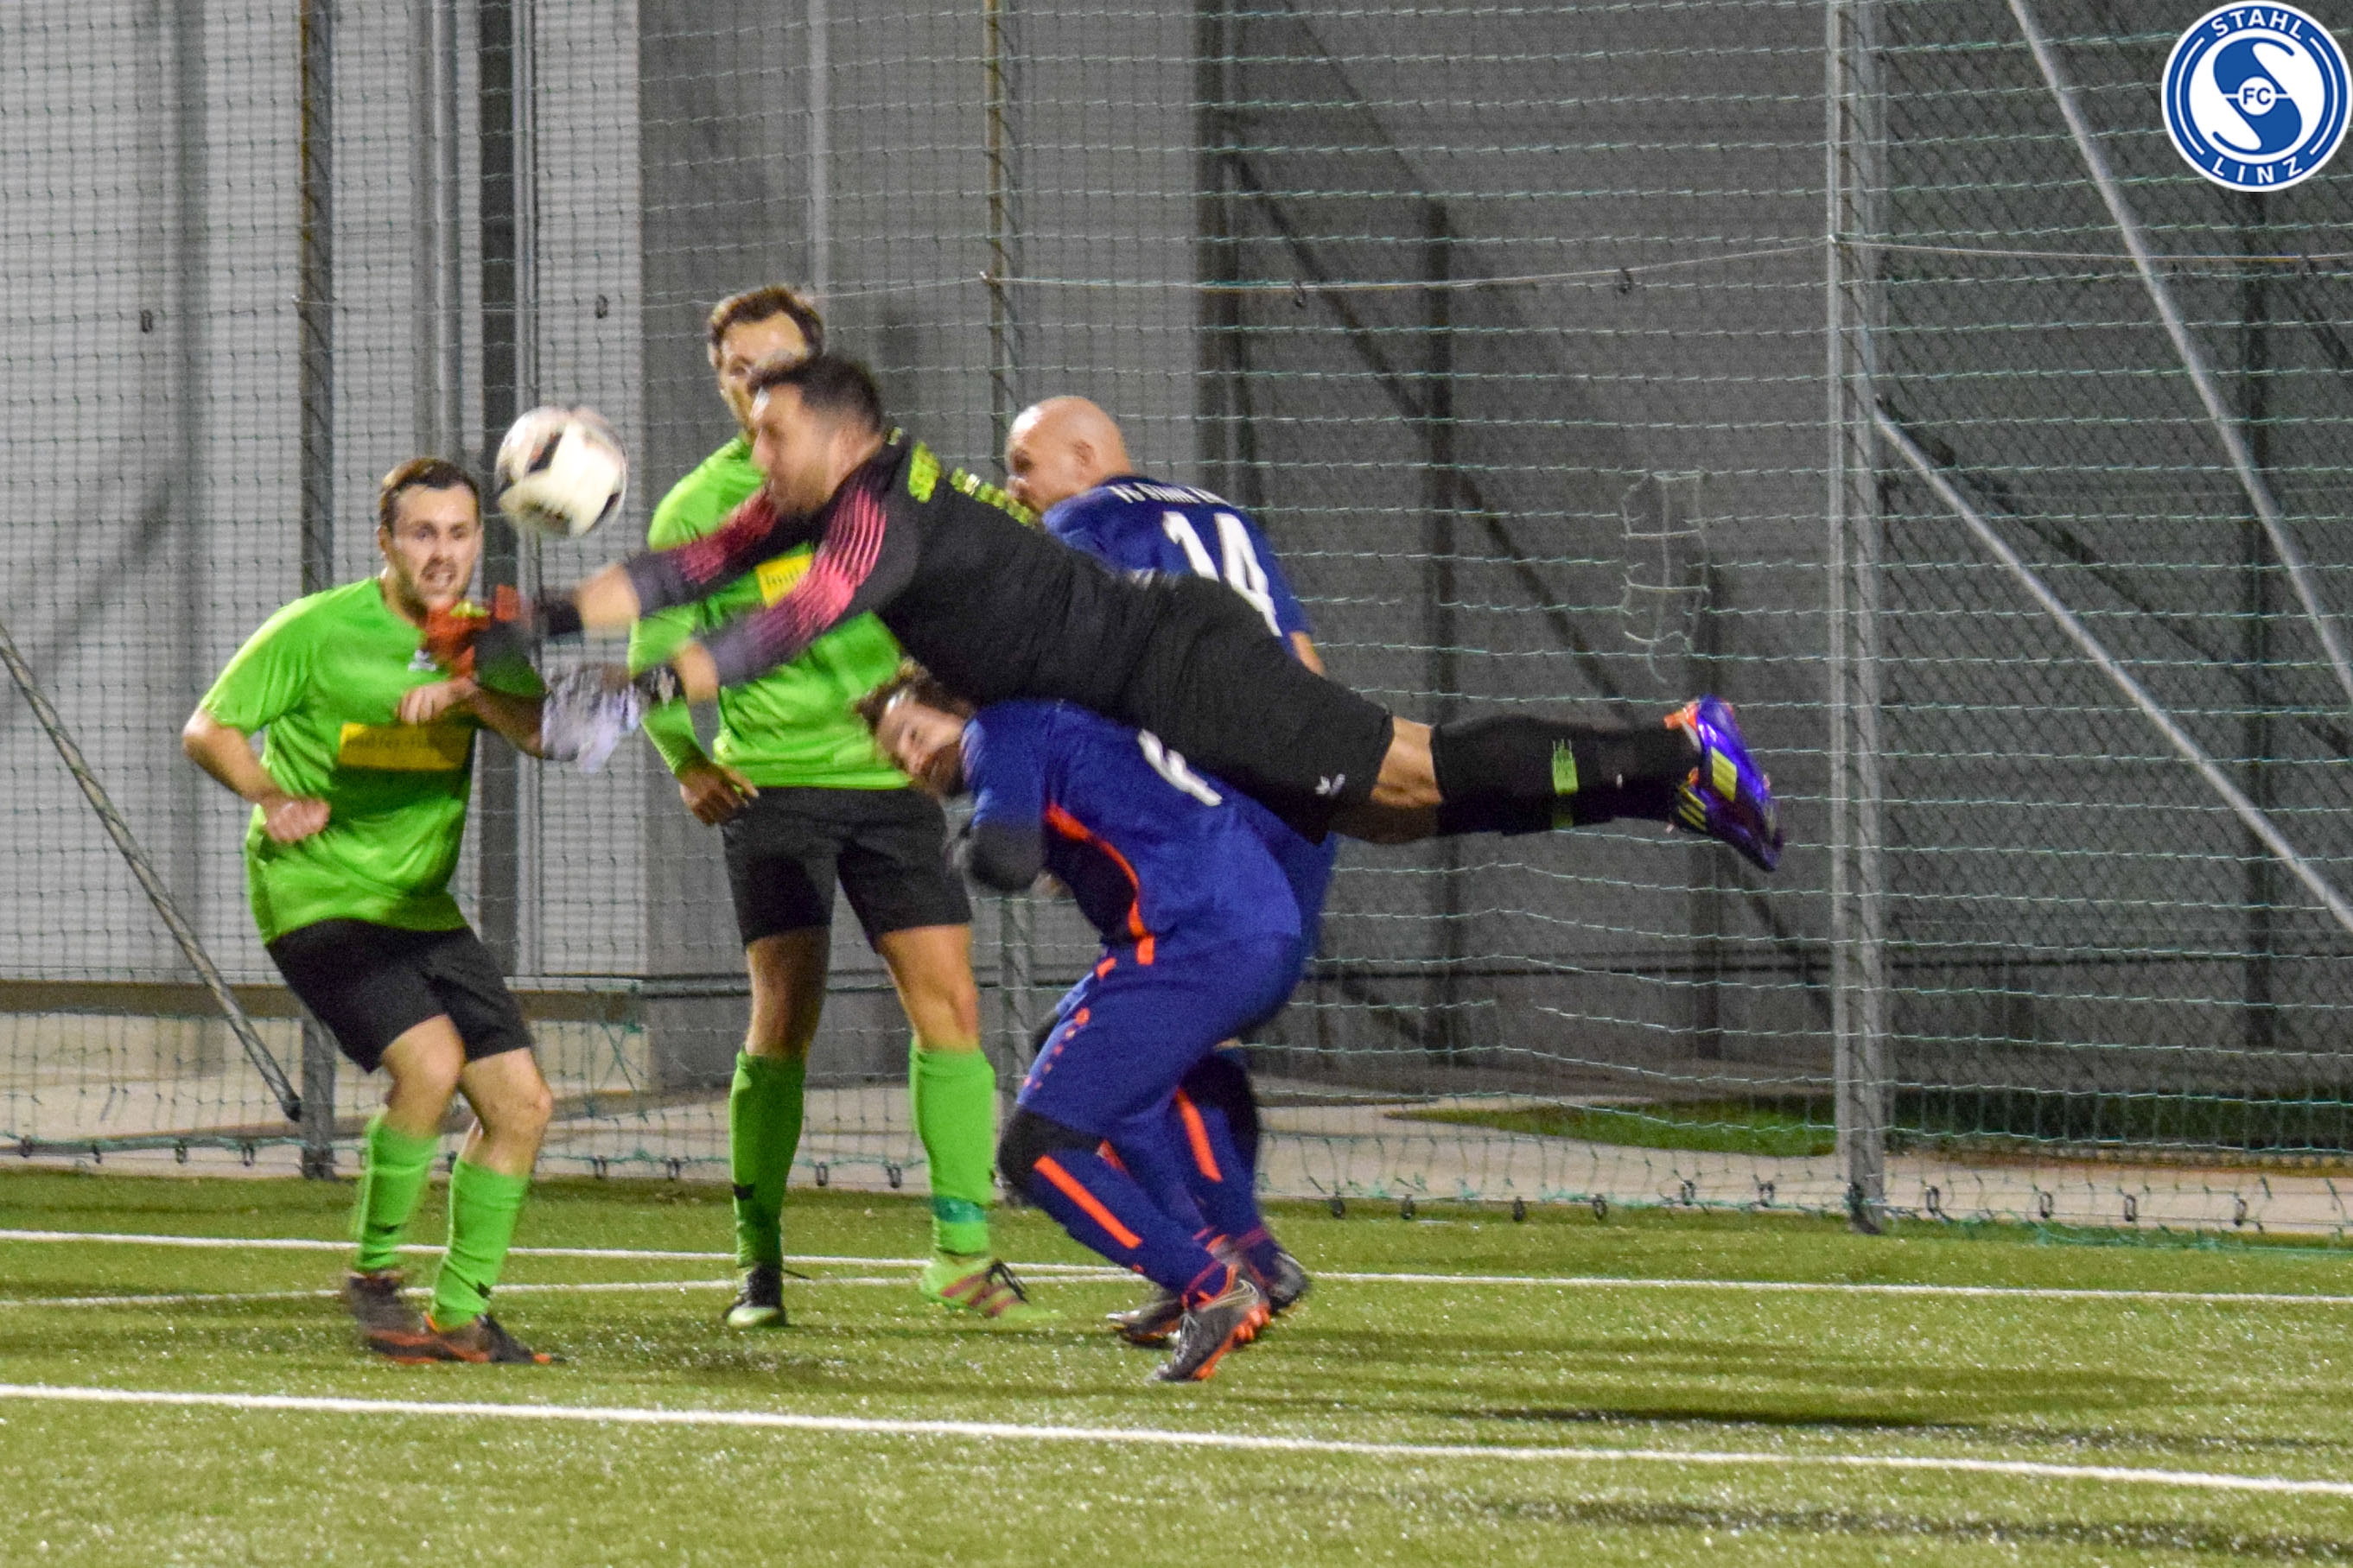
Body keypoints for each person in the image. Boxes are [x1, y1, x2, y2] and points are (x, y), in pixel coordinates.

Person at [437, 352, 1781, 873]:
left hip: (1174, 660)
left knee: (1407, 769)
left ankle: (1675, 746)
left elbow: (786, 624)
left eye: (770, 428)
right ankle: (1659, 785)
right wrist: (535, 625)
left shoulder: (877, 517)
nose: (753, 446)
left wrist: (638, 693)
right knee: (1384, 813)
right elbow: (679, 572)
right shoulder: (810, 499)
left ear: (841, 435)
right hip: (1152, 671)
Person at [628, 285, 1041, 1330]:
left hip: (893, 787)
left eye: (776, 365)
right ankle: (757, 1261)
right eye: (738, 370)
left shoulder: (891, 484)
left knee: (951, 1010)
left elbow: (976, 566)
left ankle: (961, 1254)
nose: (756, 384)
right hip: (772, 788)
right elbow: (654, 657)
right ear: (720, 381)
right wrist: (685, 761)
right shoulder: (699, 512)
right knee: (782, 1022)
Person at [181, 459, 556, 1364]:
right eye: (422, 533)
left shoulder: (487, 636)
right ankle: (375, 1273)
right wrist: (272, 796)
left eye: (459, 533)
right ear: (384, 541)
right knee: (431, 1062)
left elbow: (543, 735)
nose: (442, 553)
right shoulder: (316, 629)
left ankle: (460, 1316)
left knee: (523, 1106)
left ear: (480, 539)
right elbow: (208, 727)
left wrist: (471, 689)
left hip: (419, 905)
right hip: (315, 891)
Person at [859, 668, 1310, 1382]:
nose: (914, 760)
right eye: (898, 759)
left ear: (958, 705)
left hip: (1196, 939)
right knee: (1084, 1064)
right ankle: (1223, 1255)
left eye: (914, 734)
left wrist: (966, 849)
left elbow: (1004, 860)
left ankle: (1214, 1284)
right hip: (1243, 920)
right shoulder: (1063, 719)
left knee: (1037, 1149)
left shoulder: (997, 728)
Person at [1007, 394, 1335, 1343]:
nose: (1014, 487)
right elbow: (1302, 660)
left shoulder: (1080, 525)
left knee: (1143, 1043)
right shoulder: (1222, 514)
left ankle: (1226, 1262)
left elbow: (1086, 675)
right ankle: (1232, 1255)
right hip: (1301, 797)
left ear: (1083, 457)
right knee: (1190, 1035)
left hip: (1207, 805)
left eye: (1023, 464)